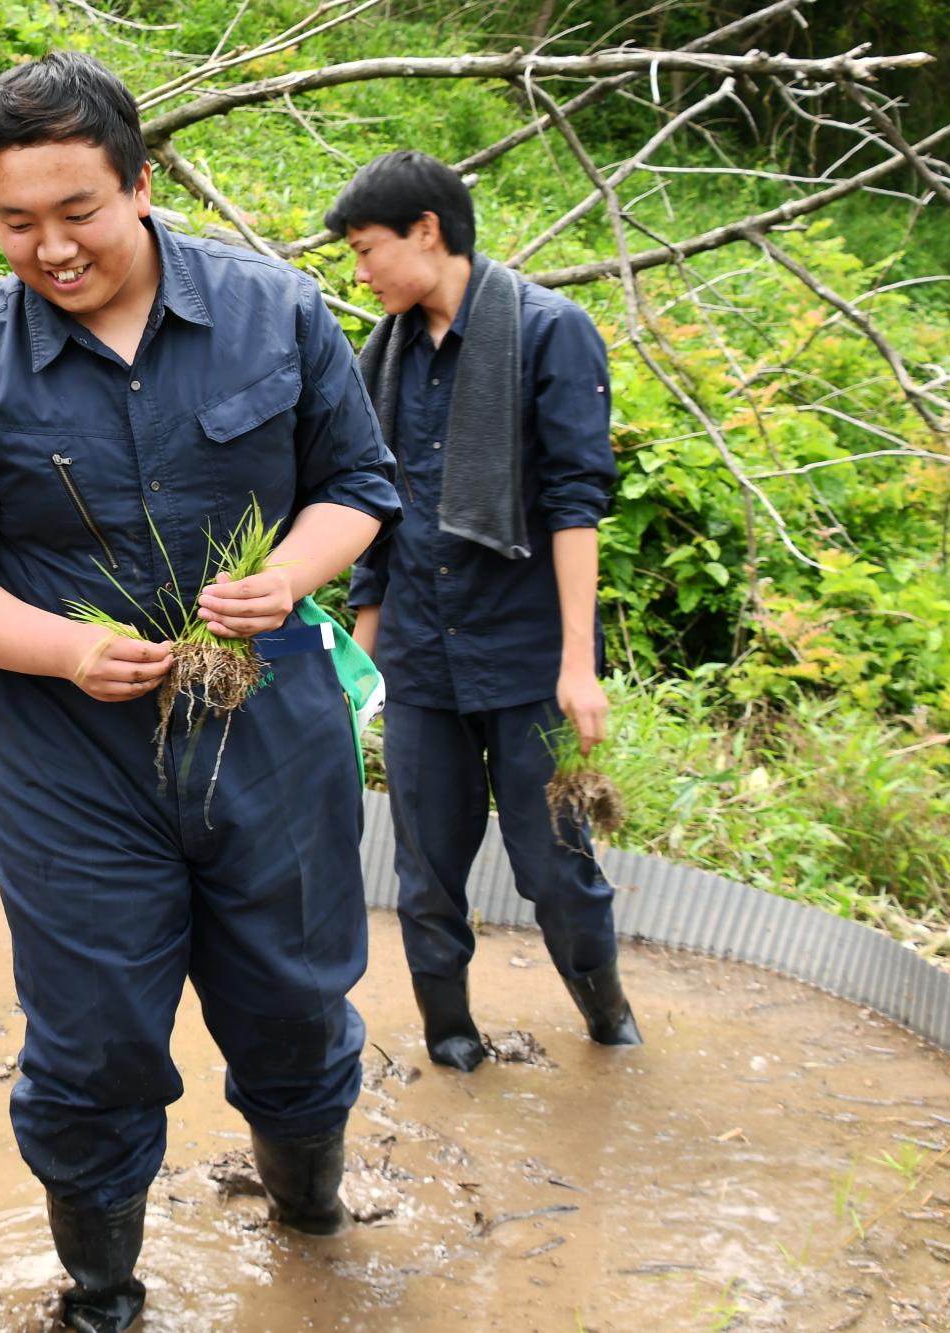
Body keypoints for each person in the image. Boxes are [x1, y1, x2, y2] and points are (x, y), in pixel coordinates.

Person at [0, 52, 400, 1332]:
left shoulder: (275, 312)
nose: (50, 249)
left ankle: (311, 1228)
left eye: (78, 213)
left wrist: (283, 577)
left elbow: (357, 489)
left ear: (142, 185)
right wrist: (60, 649)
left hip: (266, 726)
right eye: (16, 224)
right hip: (74, 759)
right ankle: (102, 1296)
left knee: (291, 1000)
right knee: (93, 1038)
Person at [327, 150, 640, 1073]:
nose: (361, 271)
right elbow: (374, 515)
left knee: (554, 870)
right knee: (425, 877)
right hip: (421, 662)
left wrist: (578, 664)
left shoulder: (549, 332)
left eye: (367, 249)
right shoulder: (379, 359)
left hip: (525, 659)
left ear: (428, 231)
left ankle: (609, 1027)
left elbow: (575, 502)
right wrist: (360, 666)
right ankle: (452, 1047)